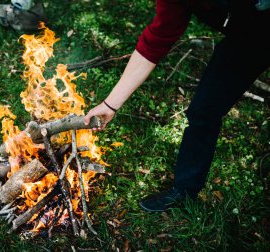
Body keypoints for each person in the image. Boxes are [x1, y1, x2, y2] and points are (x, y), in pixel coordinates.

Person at [84, 0, 270, 212]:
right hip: (248, 39)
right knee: (203, 110)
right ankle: (184, 191)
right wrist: (110, 104)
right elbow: (155, 41)